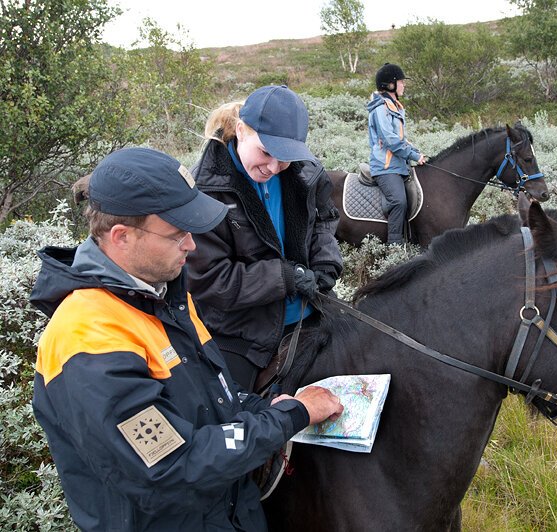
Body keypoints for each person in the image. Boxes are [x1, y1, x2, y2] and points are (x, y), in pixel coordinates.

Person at [30, 147, 343, 531]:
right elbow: (170, 464)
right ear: (121, 237)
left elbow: (208, 398)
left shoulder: (165, 296)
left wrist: (260, 406)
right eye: (178, 234)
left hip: (227, 512)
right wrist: (290, 415)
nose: (192, 246)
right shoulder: (87, 337)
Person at [186, 85, 343, 392]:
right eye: (266, 151)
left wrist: (325, 264)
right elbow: (208, 279)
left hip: (315, 310)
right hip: (241, 332)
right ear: (241, 130)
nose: (274, 167)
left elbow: (323, 220)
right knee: (234, 414)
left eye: (284, 157)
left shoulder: (305, 173)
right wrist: (285, 277)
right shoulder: (205, 191)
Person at [367, 63, 427, 245]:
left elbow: (402, 138)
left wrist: (417, 152)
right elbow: (390, 140)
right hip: (385, 167)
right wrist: (414, 156)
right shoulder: (381, 108)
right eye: (401, 82)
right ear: (390, 84)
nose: (403, 85)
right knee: (399, 201)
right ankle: (395, 246)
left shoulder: (395, 107)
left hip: (398, 166)